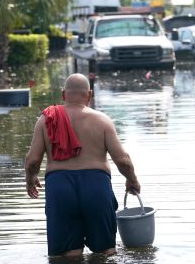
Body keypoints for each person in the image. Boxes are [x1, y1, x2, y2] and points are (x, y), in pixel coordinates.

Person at [24, 73, 141, 257]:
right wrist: (132, 180)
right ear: (90, 95)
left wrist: (30, 179)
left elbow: (32, 161)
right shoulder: (102, 120)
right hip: (96, 186)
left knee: (67, 256)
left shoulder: (47, 120)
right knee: (106, 252)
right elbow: (123, 160)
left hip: (59, 187)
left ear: (64, 95)